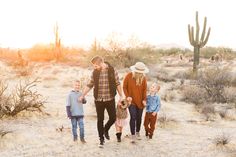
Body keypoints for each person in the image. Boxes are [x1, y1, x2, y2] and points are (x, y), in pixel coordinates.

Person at [79, 56, 123, 147]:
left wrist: (121, 96)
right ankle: (101, 139)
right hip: (98, 100)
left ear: (101, 63)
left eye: (95, 66)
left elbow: (118, 83)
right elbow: (90, 84)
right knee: (100, 119)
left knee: (113, 118)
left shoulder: (112, 71)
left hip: (110, 98)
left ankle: (105, 129)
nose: (94, 68)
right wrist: (83, 95)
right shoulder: (95, 73)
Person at [123, 62, 149, 143]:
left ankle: (137, 132)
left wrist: (144, 100)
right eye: (139, 72)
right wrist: (127, 96)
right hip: (131, 102)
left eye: (141, 72)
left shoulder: (143, 78)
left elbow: (145, 90)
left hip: (141, 101)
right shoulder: (129, 76)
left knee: (139, 118)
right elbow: (124, 87)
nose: (140, 74)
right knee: (133, 117)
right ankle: (133, 135)